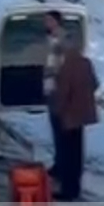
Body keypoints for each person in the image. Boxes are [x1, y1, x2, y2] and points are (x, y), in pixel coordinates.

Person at [50, 31, 99, 202]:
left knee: (67, 153)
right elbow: (95, 84)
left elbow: (63, 93)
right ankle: (75, 187)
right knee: (77, 153)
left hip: (68, 115)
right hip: (81, 115)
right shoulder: (86, 63)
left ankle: (67, 190)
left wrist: (56, 109)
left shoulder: (67, 66)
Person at [41, 11, 66, 178]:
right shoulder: (47, 39)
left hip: (62, 89)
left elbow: (64, 65)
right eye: (45, 21)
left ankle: (64, 165)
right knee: (56, 129)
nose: (46, 23)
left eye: (49, 20)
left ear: (57, 22)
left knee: (63, 130)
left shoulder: (63, 40)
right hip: (51, 89)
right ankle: (59, 163)